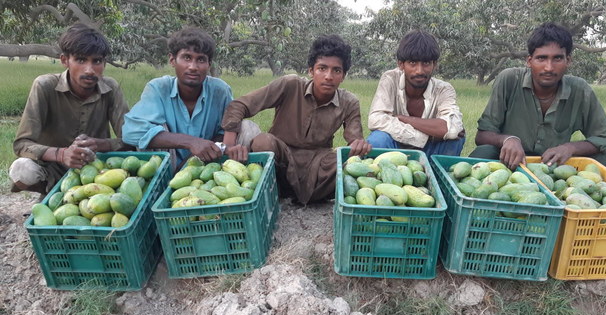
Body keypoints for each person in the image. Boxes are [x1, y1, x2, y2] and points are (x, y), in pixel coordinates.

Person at [221, 35, 372, 204]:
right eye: (322, 68)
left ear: (343, 76)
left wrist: (358, 145)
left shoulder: (349, 102)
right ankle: (274, 187)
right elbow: (240, 105)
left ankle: (299, 193)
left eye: (336, 70)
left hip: (317, 164)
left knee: (347, 163)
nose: (329, 76)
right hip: (281, 157)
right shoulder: (290, 85)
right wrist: (229, 146)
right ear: (310, 71)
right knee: (263, 142)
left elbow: (355, 140)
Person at [470, 22, 606, 179]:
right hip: (511, 162)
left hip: (555, 166)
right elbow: (482, 135)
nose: (549, 67)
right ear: (529, 61)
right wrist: (508, 139)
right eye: (541, 58)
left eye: (557, 59)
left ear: (568, 60)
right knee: (483, 153)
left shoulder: (580, 90)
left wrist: (570, 148)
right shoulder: (509, 79)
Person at [11, 23, 130, 195]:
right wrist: (62, 154)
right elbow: (22, 145)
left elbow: (130, 140)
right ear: (65, 60)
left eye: (97, 61)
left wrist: (100, 144)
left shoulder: (110, 88)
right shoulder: (44, 86)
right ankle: (50, 195)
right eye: (81, 60)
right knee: (21, 169)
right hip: (53, 168)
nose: (89, 70)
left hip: (97, 169)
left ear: (104, 63)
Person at [122, 27, 260, 168]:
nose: (193, 67)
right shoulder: (158, 88)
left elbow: (225, 131)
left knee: (247, 128)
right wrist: (191, 142)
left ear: (209, 64)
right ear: (172, 60)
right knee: (151, 129)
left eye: (200, 60)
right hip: (166, 163)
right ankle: (161, 184)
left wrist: (204, 151)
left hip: (208, 164)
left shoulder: (220, 91)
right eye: (187, 57)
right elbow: (131, 132)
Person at [367, 29, 465, 157]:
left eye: (426, 63)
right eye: (413, 63)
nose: (419, 71)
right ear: (401, 64)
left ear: (434, 64)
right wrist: (427, 136)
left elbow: (449, 129)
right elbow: (375, 120)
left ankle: (437, 176)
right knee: (378, 139)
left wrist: (404, 119)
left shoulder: (444, 89)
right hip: (395, 149)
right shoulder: (390, 79)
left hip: (430, 151)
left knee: (455, 139)